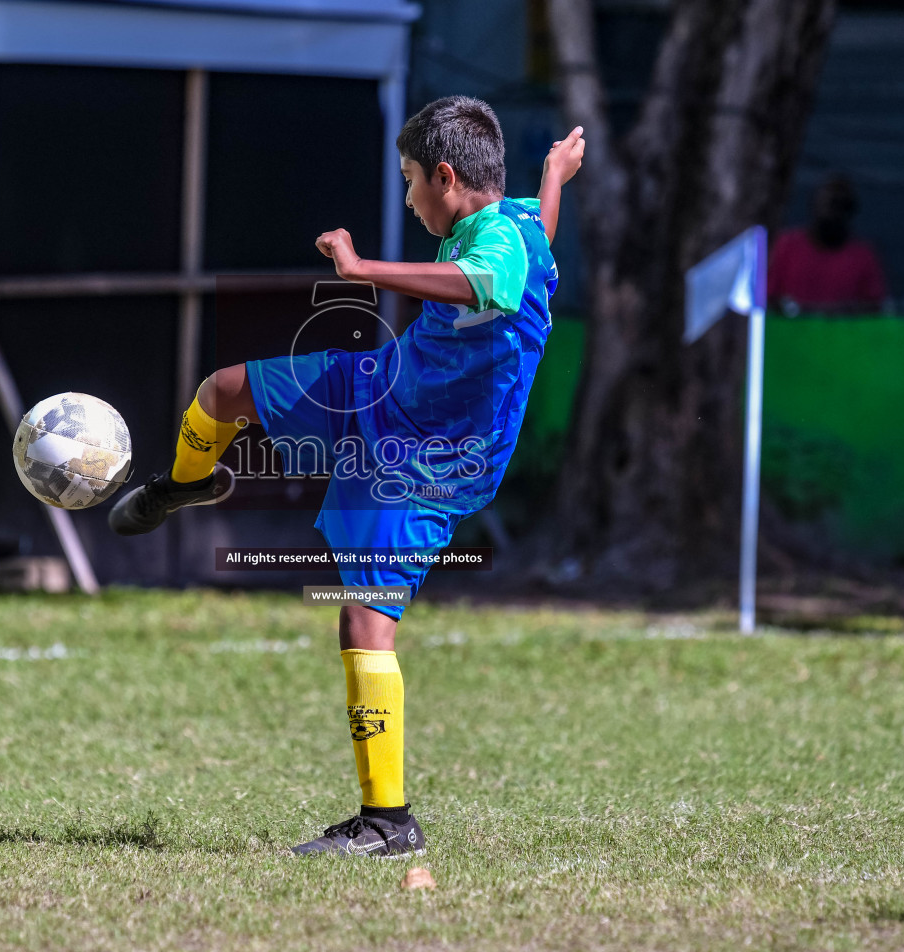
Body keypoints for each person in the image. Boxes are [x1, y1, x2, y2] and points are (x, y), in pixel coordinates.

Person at [107, 96, 583, 857]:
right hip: (389, 384)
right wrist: (556, 172)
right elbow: (542, 231)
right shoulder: (522, 220)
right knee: (224, 392)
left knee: (365, 619)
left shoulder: (497, 248)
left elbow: (481, 284)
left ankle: (389, 825)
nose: (406, 197)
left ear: (446, 175)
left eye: (409, 180)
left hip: (430, 457)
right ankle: (187, 484)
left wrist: (361, 270)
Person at [767, 173, 887, 310]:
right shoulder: (786, 245)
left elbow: (874, 307)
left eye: (841, 206)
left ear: (851, 212)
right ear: (813, 206)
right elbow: (767, 298)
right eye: (828, 204)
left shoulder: (864, 255)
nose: (832, 213)